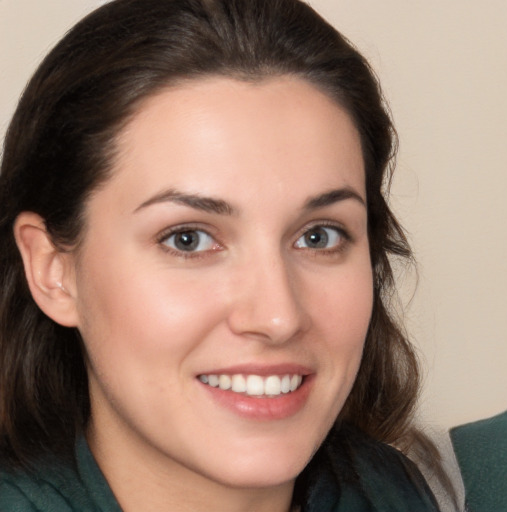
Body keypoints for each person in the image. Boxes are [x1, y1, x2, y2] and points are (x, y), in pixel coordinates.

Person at [0, 0, 444, 510]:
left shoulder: (398, 491)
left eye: (318, 236)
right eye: (188, 239)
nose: (278, 316)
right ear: (53, 271)